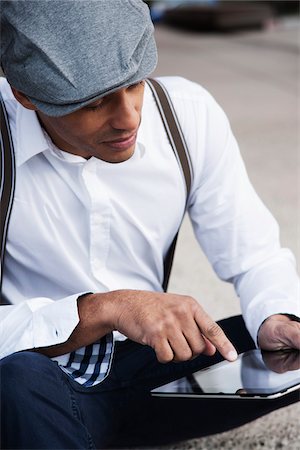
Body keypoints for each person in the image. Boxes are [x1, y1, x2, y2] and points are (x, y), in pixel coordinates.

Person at [0, 1, 299, 449]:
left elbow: (254, 256)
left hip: (158, 367)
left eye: (135, 83)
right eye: (94, 102)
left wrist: (277, 316)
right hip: (33, 376)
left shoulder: (186, 113)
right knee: (18, 384)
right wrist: (106, 308)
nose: (128, 118)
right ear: (25, 93)